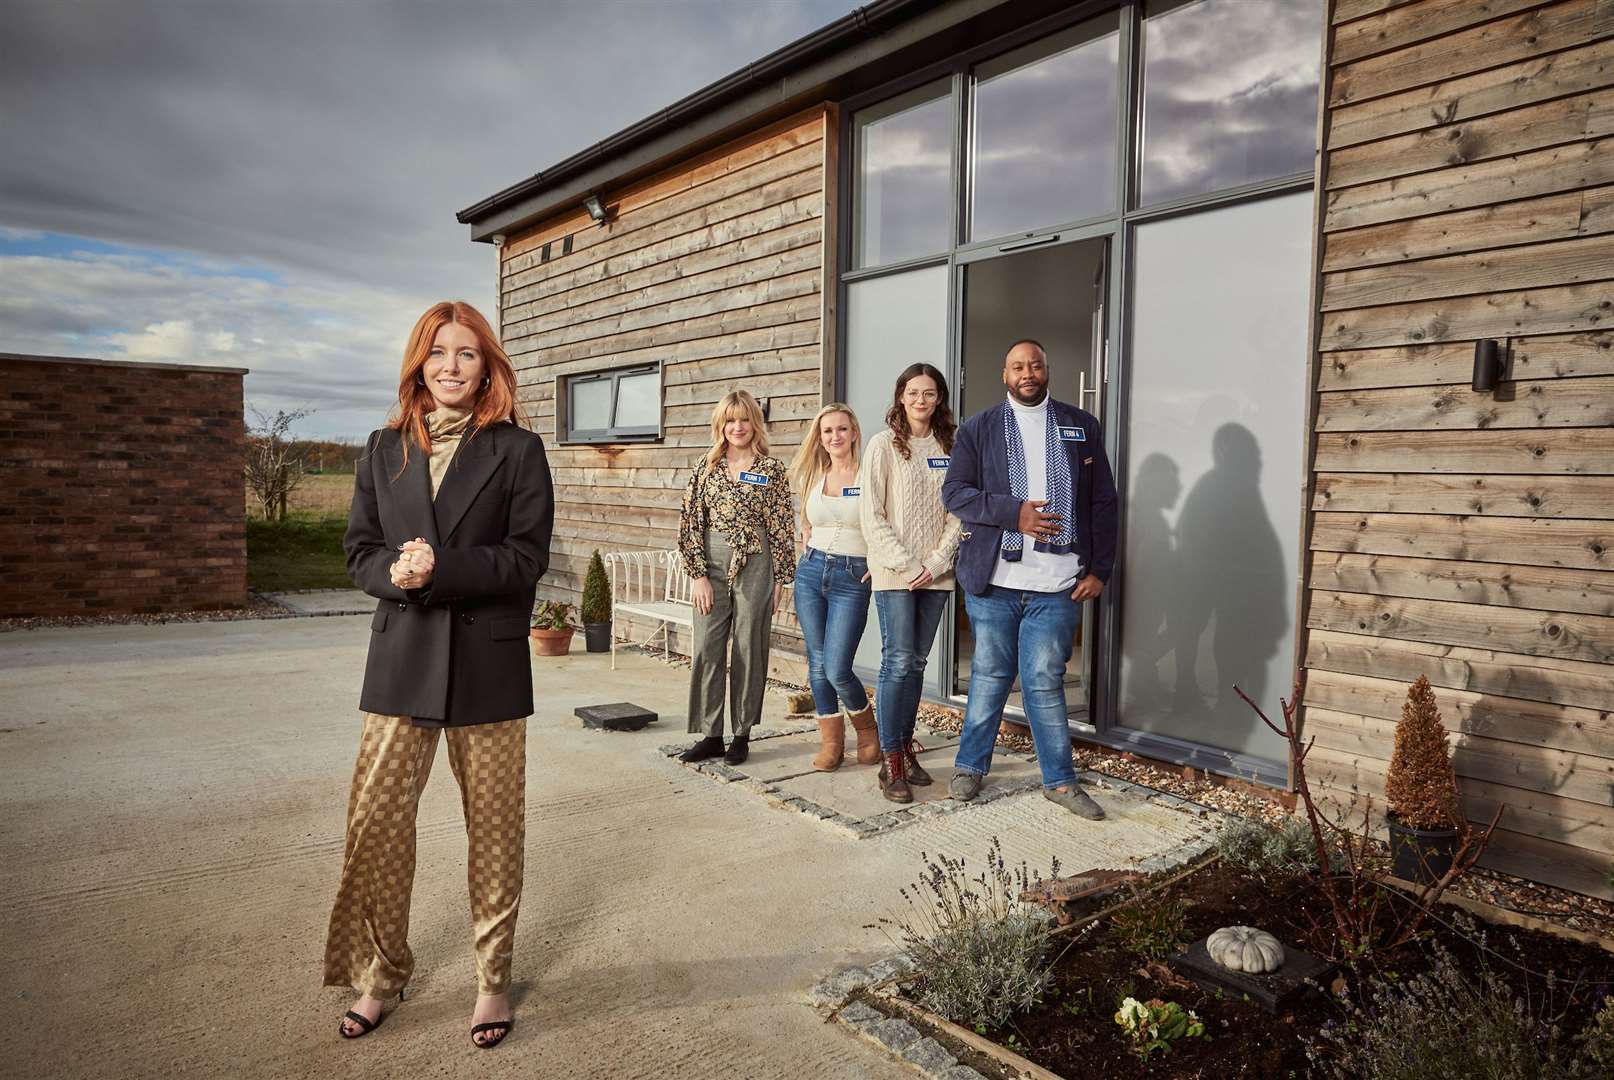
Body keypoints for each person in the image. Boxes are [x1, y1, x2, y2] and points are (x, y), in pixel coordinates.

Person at [325, 300, 554, 1049]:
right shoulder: (381, 447)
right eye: (438, 353)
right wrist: (396, 572)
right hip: (401, 661)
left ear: (487, 366)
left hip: (486, 665)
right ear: (418, 365)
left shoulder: (517, 450)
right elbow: (360, 551)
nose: (451, 366)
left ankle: (492, 980)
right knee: (378, 826)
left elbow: (526, 560)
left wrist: (442, 567)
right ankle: (381, 974)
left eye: (466, 353)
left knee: (492, 829)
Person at [942, 339, 1118, 818]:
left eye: (1035, 365)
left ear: (1047, 370)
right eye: (1018, 366)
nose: (1027, 373)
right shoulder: (979, 428)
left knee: (1044, 680)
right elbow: (955, 492)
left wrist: (1101, 568)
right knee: (990, 674)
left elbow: (1103, 502)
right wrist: (1012, 512)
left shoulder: (1081, 425)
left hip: (1058, 582)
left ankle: (1060, 782)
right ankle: (970, 765)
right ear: (1005, 374)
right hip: (996, 579)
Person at [860, 363, 963, 803]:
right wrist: (906, 565)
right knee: (897, 661)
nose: (921, 401)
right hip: (894, 573)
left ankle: (904, 747)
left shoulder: (951, 447)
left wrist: (936, 562)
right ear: (900, 397)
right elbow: (872, 514)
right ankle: (890, 760)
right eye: (913, 393)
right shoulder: (883, 445)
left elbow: (959, 512)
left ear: (939, 399)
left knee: (917, 663)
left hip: (936, 575)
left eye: (930, 394)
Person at [677, 389, 796, 766]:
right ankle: (711, 734)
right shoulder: (705, 468)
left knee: (749, 646)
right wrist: (698, 575)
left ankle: (741, 733)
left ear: (755, 424)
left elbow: (780, 526)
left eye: (744, 419)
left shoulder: (771, 470)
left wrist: (780, 579)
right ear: (720, 425)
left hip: (757, 563)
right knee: (707, 648)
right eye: (730, 420)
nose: (738, 427)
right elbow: (690, 524)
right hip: (711, 563)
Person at [787, 403, 877, 771]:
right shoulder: (814, 474)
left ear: (854, 432)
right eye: (827, 431)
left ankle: (869, 732)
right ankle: (832, 742)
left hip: (853, 576)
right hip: (811, 571)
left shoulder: (869, 474)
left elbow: (885, 519)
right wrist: (804, 531)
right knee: (818, 662)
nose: (835, 437)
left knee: (838, 666)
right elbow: (806, 519)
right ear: (820, 438)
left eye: (842, 429)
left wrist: (878, 560)